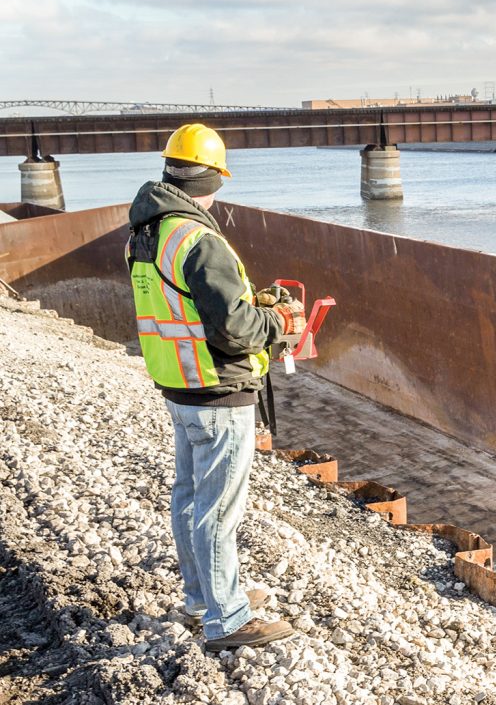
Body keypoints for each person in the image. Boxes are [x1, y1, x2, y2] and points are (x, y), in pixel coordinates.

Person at [126, 124, 305, 651]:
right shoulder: (199, 238)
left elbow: (184, 306)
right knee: (218, 508)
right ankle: (226, 618)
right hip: (217, 390)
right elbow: (233, 330)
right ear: (215, 178)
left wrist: (255, 304)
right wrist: (280, 324)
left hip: (177, 384)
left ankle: (202, 597)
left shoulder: (146, 233)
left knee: (189, 498)